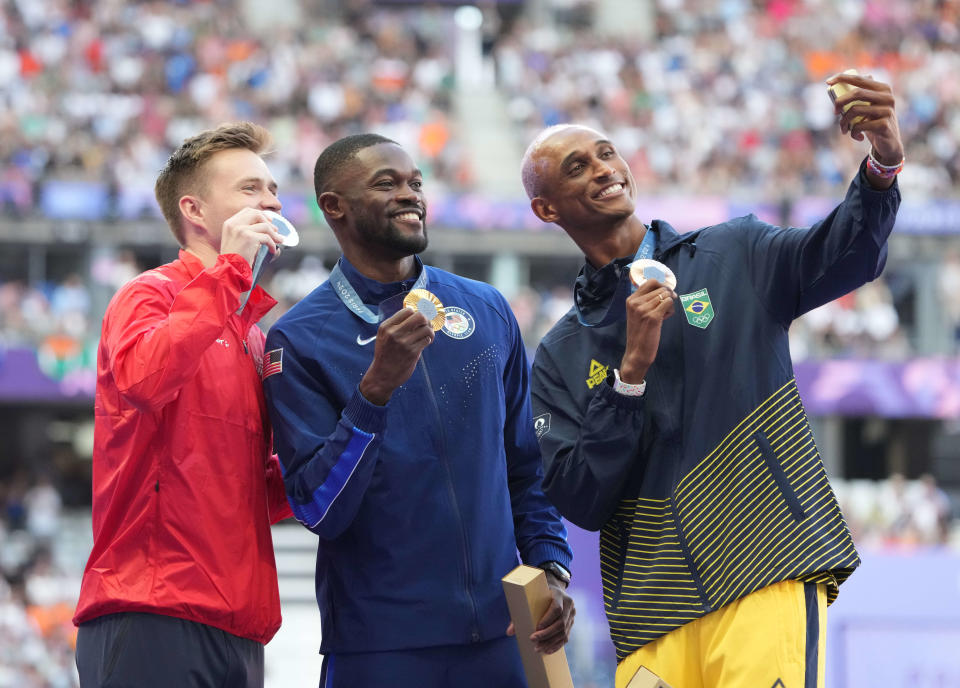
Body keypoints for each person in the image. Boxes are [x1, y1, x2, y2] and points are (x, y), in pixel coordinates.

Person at [521, 72, 904, 688]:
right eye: (575, 167)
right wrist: (629, 378)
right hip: (652, 607)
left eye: (606, 152)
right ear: (547, 208)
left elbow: (845, 252)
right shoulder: (561, 352)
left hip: (763, 563)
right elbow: (580, 500)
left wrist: (882, 166)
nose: (602, 168)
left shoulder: (734, 251)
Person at [263, 133, 575, 687]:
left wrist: (552, 567)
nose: (411, 195)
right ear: (334, 206)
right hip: (380, 645)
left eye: (415, 183)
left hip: (504, 637)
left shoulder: (485, 308)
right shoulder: (300, 339)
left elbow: (525, 464)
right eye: (387, 184)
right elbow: (318, 508)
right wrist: (375, 391)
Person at [73, 122, 293, 687]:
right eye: (249, 189)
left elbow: (246, 490)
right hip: (151, 609)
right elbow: (146, 379)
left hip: (239, 624)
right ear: (195, 209)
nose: (270, 200)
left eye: (271, 189)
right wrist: (231, 273)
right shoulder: (147, 294)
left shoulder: (252, 336)